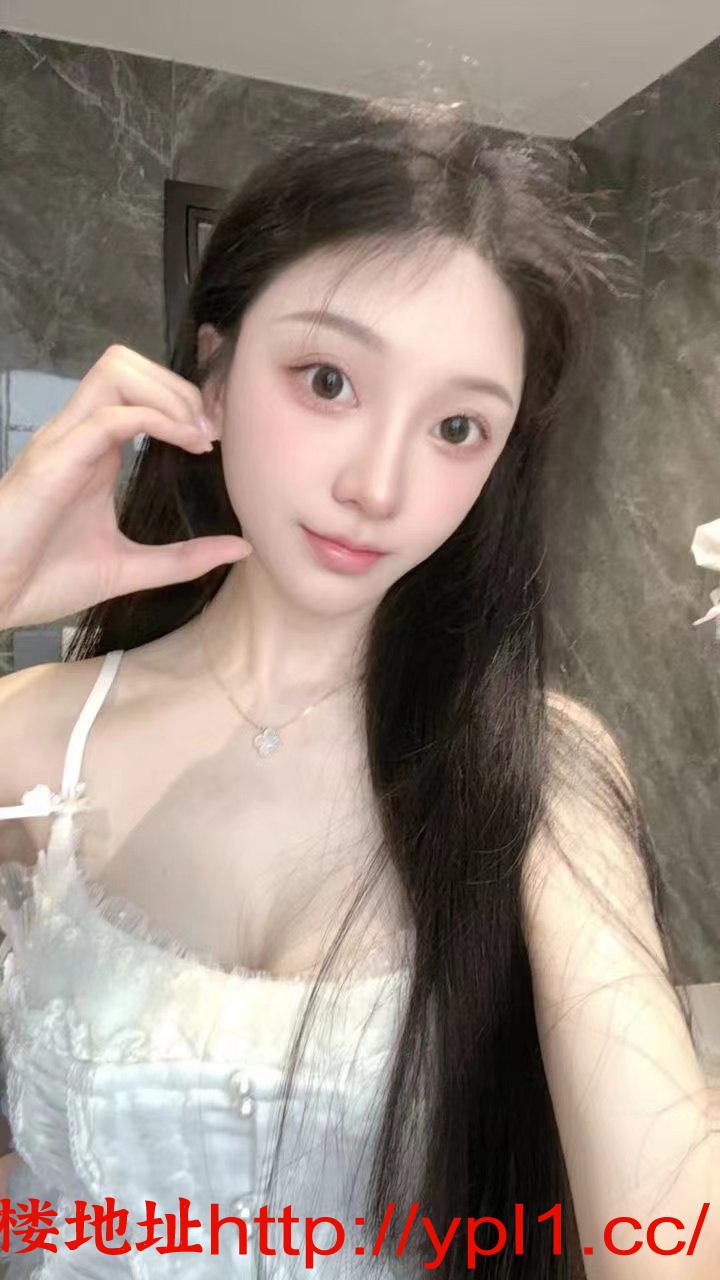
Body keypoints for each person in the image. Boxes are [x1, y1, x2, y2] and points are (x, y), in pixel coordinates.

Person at [0, 99, 715, 1279]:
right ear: (213, 371)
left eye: (457, 427)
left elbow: (670, 1245)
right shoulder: (35, 738)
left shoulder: (533, 768)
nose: (380, 486)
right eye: (329, 378)